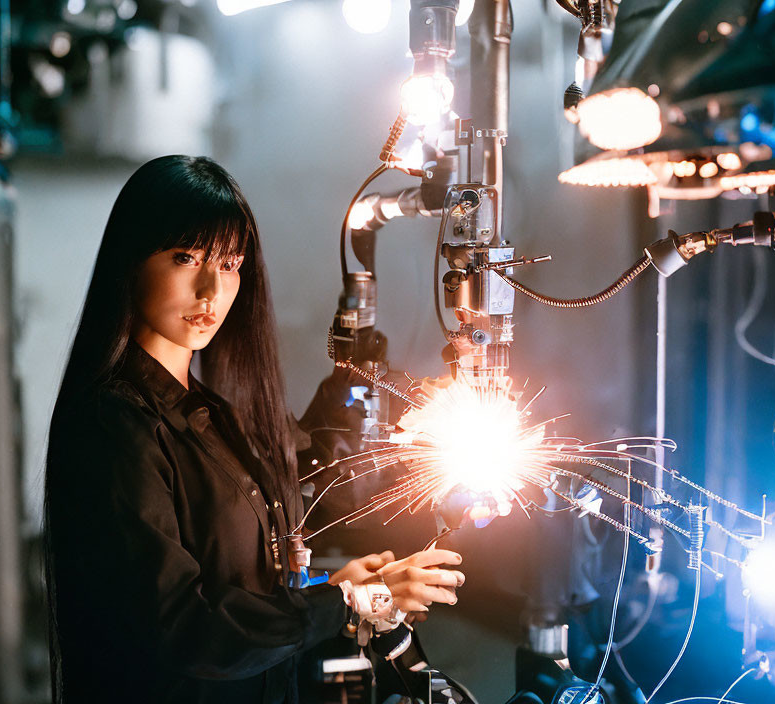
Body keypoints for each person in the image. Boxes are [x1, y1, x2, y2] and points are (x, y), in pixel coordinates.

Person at [44, 155, 465, 704]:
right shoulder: (114, 426)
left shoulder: (215, 413)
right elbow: (181, 625)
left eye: (229, 263)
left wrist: (332, 590)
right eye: (184, 257)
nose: (209, 290)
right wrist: (349, 604)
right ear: (131, 261)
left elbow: (298, 485)